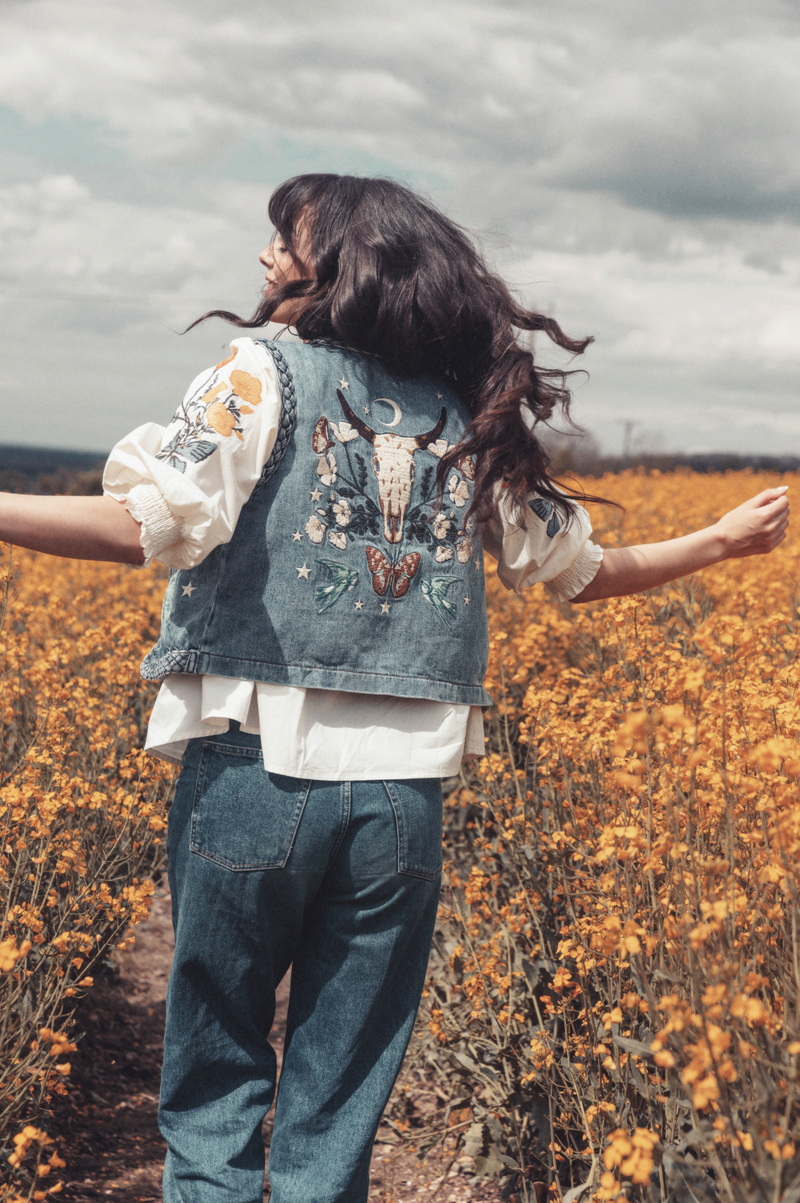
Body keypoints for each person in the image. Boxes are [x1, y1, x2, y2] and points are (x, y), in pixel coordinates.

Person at [0, 174, 789, 1203]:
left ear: (330, 268)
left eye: (280, 245)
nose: (263, 263)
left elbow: (136, 527)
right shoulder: (471, 414)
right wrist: (718, 543)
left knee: (217, 1069)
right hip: (400, 805)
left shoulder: (252, 375)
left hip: (255, 772)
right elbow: (580, 572)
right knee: (340, 1085)